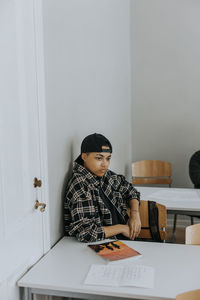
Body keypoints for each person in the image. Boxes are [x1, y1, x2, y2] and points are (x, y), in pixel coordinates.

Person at [64, 133, 141, 243]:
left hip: (123, 240)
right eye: (99, 158)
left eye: (108, 158)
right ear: (84, 156)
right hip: (101, 244)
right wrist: (122, 228)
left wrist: (134, 214)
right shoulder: (80, 184)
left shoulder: (105, 175)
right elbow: (87, 233)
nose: (105, 164)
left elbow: (131, 190)